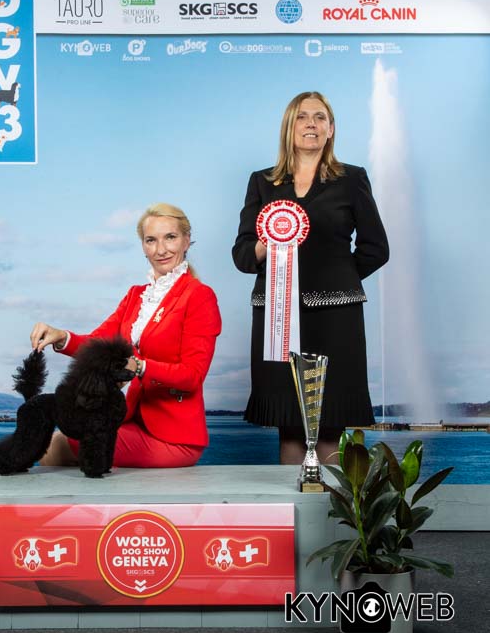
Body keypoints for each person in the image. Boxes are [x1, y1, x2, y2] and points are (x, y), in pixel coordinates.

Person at [232, 91, 389, 465]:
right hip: (276, 318)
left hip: (336, 320)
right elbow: (242, 256)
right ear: (289, 127)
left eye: (320, 117)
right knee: (289, 425)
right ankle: (293, 503)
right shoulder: (262, 182)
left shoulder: (352, 179)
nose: (311, 124)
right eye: (303, 117)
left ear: (331, 129)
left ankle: (331, 504)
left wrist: (336, 283)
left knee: (330, 425)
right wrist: (268, 244)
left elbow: (376, 248)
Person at [31, 203, 222, 469]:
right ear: (143, 246)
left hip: (173, 437)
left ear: (186, 241)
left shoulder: (199, 296)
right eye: (151, 240)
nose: (161, 249)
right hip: (131, 420)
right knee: (59, 442)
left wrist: (140, 367)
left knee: (58, 445)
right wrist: (62, 337)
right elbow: (97, 345)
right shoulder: (136, 296)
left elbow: (192, 375)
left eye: (170, 237)